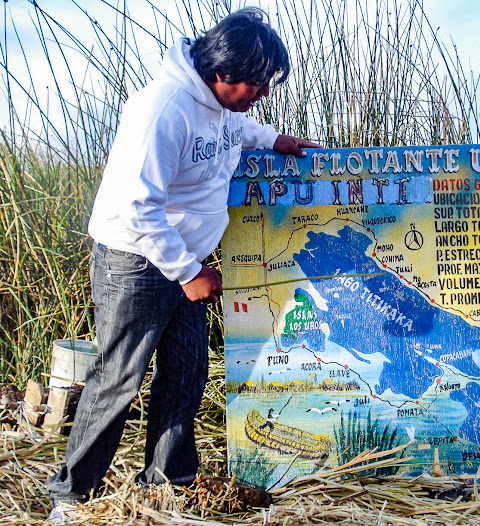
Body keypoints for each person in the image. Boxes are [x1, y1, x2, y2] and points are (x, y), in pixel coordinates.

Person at [46, 8, 318, 523]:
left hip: (183, 258)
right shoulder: (163, 110)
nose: (263, 93)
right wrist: (189, 273)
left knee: (186, 372)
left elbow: (233, 126)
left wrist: (273, 139)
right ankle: (71, 497)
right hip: (137, 259)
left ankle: (169, 484)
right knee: (120, 377)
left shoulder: (218, 100)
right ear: (222, 74)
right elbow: (138, 207)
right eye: (257, 84)